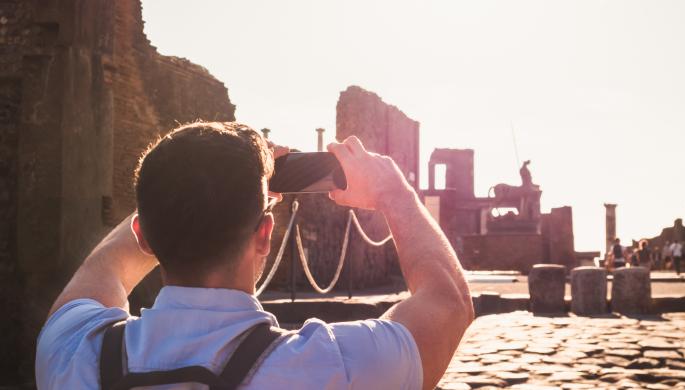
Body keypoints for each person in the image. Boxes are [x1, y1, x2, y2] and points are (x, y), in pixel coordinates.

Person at [35, 122, 474, 389]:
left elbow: (105, 267)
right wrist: (393, 191)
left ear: (143, 234)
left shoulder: (73, 355)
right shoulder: (330, 369)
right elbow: (449, 303)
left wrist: (200, 179)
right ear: (264, 234)